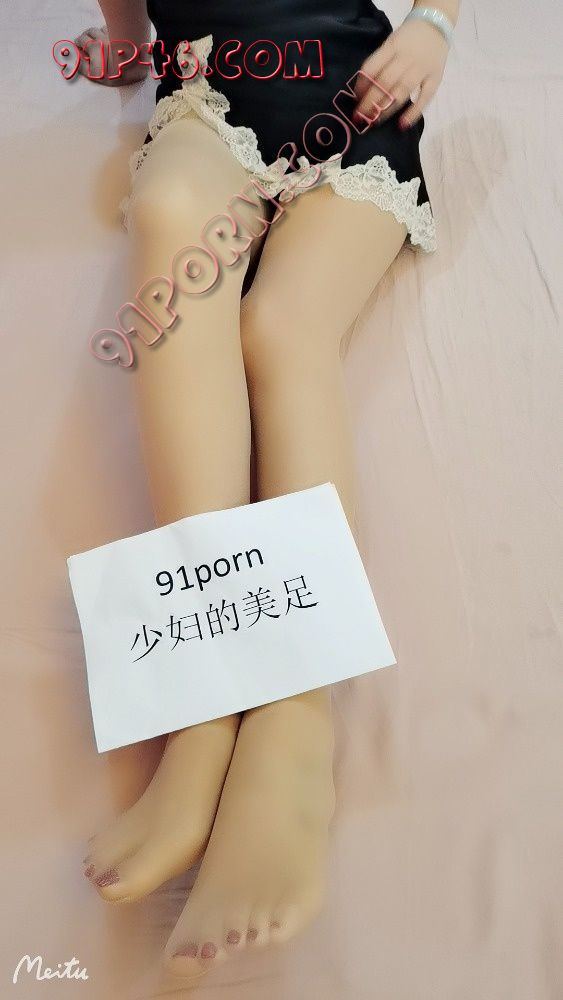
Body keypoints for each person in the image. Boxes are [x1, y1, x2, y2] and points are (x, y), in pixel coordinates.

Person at [77, 0, 456, 982]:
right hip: (209, 100)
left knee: (281, 331)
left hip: (352, 90)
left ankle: (291, 723)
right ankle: (205, 711)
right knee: (172, 223)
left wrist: (434, 23)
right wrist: (122, 49)